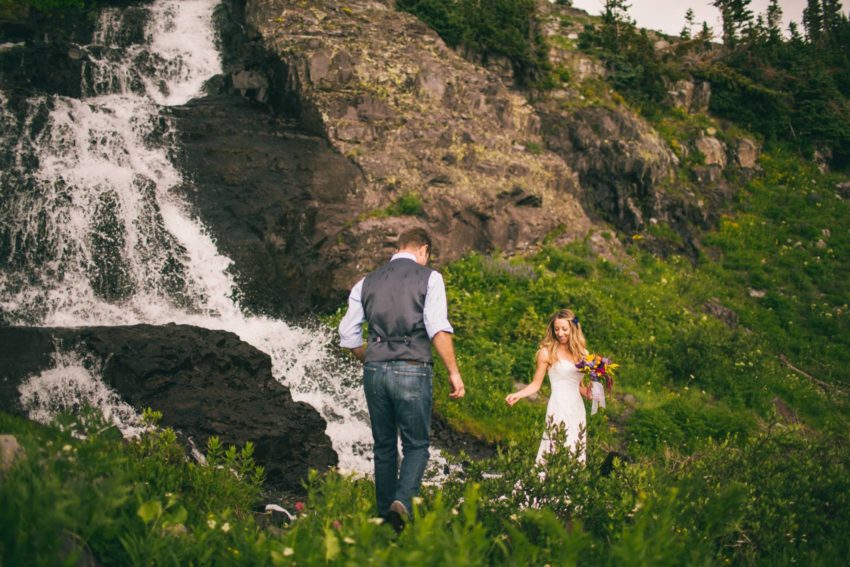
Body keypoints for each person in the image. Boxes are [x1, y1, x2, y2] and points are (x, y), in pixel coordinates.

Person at [338, 227, 465, 531]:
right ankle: (402, 504)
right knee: (417, 445)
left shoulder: (364, 282)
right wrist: (453, 372)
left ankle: (384, 519)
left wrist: (372, 358)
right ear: (424, 250)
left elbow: (348, 335)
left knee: (383, 445)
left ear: (398, 248)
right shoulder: (430, 277)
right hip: (413, 367)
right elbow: (437, 328)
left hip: (375, 369)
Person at [506, 308, 589, 464]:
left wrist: (593, 390)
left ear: (573, 328)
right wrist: (518, 394)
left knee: (575, 448)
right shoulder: (547, 352)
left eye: (564, 329)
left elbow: (580, 387)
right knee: (553, 447)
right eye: (556, 329)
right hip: (558, 406)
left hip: (577, 408)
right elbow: (536, 384)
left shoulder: (583, 354)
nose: (560, 333)